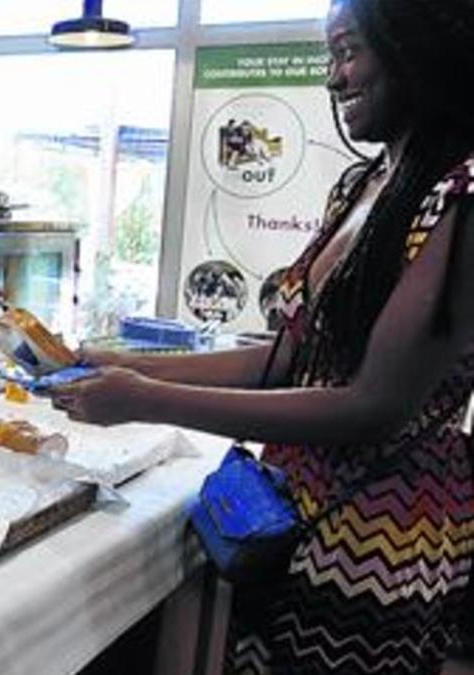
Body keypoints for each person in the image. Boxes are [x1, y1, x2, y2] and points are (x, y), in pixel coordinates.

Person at [52, 0, 474, 672]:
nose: (334, 77)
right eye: (329, 56)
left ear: (411, 48)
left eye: (348, 50)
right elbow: (289, 358)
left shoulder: (460, 195)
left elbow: (373, 405)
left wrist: (144, 397)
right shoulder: (363, 184)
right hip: (285, 512)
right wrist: (123, 363)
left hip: (376, 537)